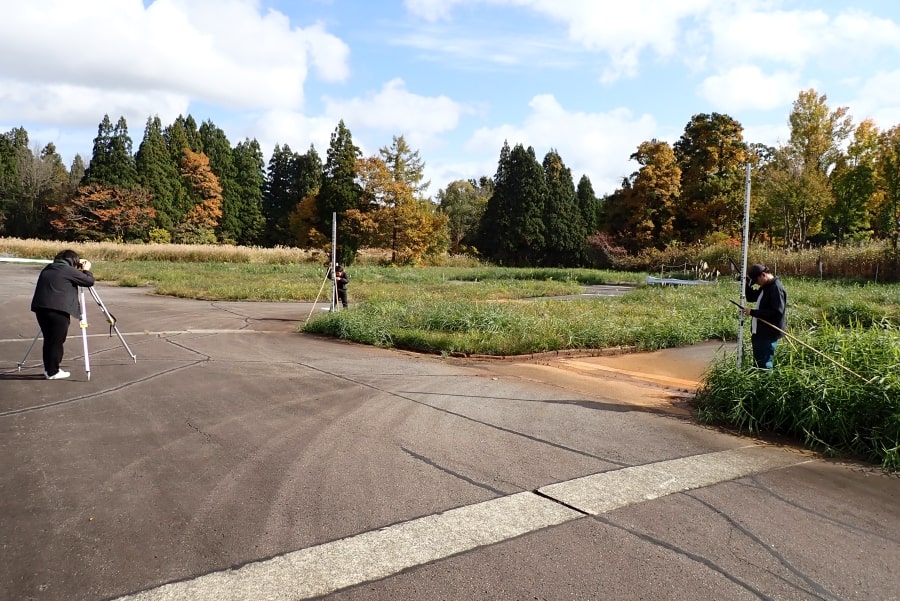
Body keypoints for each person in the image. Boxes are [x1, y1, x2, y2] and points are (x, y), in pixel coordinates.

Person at [30, 249, 95, 380]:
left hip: (40, 308)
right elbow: (89, 281)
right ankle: (53, 372)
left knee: (50, 340)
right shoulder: (68, 270)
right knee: (56, 341)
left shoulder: (48, 268)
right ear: (73, 260)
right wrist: (86, 269)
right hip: (58, 310)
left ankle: (49, 369)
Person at [742, 263, 787, 370]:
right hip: (760, 332)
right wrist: (746, 283)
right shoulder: (766, 287)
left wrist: (753, 312)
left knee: (764, 365)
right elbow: (752, 297)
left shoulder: (776, 288)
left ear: (763, 275)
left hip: (768, 333)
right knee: (759, 362)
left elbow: (776, 313)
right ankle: (758, 379)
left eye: (757, 281)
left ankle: (765, 380)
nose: (757, 284)